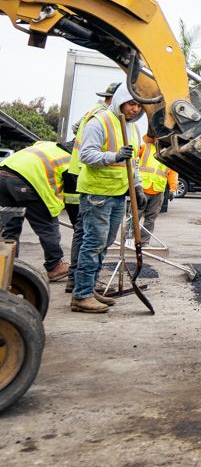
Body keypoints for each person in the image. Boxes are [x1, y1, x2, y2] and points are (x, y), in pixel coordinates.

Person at [71, 83, 146, 314]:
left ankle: (90, 288)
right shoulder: (100, 121)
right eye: (132, 103)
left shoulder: (131, 128)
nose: (135, 109)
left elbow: (132, 162)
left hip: (117, 193)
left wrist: (138, 185)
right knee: (93, 244)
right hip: (97, 194)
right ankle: (81, 295)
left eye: (139, 106)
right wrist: (114, 156)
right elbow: (86, 154)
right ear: (120, 100)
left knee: (103, 245)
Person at [65, 81, 120, 289]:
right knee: (88, 235)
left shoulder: (92, 112)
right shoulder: (102, 116)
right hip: (89, 175)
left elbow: (75, 128)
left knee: (83, 231)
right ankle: (79, 282)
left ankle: (77, 279)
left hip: (79, 172)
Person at [0, 140, 75, 281]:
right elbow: (72, 199)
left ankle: (8, 267)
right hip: (26, 183)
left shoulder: (47, 145)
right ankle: (55, 266)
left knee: (11, 226)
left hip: (3, 174)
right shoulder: (71, 161)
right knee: (47, 226)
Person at [137, 132, 177, 236]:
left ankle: (144, 242)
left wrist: (173, 188)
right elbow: (132, 158)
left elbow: (173, 172)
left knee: (151, 218)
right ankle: (129, 239)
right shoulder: (145, 148)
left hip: (158, 190)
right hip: (142, 188)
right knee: (135, 216)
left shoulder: (170, 153)